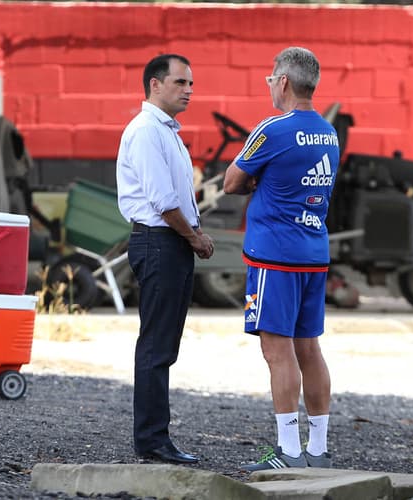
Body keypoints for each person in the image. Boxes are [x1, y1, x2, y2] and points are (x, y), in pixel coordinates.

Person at [223, 47, 339, 471]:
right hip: (314, 251)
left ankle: (289, 451)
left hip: (274, 255)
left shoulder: (271, 129)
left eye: (272, 78)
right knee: (310, 347)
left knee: (277, 351)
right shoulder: (329, 131)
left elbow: (231, 182)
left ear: (285, 82)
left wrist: (257, 178)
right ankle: (319, 450)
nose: (270, 85)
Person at [116, 53, 214, 464]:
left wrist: (190, 233)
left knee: (163, 345)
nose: (189, 90)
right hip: (160, 242)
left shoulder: (167, 131)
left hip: (168, 242)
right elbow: (161, 201)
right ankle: (153, 441)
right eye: (180, 83)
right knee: (156, 346)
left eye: (191, 83)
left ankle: (156, 437)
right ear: (155, 85)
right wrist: (194, 237)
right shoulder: (146, 132)